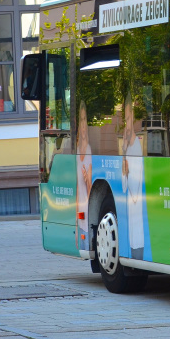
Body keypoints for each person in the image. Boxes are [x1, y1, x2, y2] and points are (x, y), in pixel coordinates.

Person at [121, 98, 146, 260]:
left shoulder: (136, 146)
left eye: (129, 119)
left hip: (135, 212)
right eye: (125, 119)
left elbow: (134, 191)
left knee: (136, 241)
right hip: (131, 211)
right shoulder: (128, 147)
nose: (126, 124)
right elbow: (124, 187)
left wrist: (127, 171)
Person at [76, 103, 91, 252]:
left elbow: (91, 191)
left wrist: (87, 180)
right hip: (79, 212)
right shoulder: (76, 150)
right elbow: (76, 188)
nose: (83, 125)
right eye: (81, 121)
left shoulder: (89, 151)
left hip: (87, 213)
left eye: (85, 120)